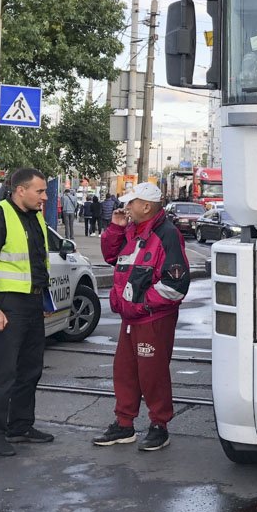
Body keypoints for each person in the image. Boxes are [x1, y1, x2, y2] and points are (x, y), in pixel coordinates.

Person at [93, 181, 190, 452]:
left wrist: (142, 305)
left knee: (152, 373)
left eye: (131, 202)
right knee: (125, 371)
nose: (126, 207)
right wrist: (115, 227)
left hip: (151, 317)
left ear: (146, 206)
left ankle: (159, 426)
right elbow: (112, 256)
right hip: (133, 315)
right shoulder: (132, 229)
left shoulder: (167, 234)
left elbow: (175, 284)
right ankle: (124, 424)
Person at [0, 167, 56, 456]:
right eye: (39, 191)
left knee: (30, 371)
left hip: (32, 304)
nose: (44, 197)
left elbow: (37, 264)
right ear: (21, 190)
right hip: (8, 306)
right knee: (3, 374)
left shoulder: (35, 217)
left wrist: (43, 301)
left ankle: (20, 426)